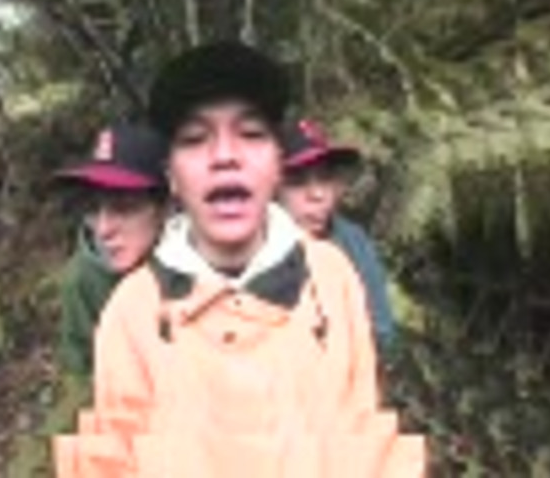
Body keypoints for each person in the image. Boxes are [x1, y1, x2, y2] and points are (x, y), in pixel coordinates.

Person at [52, 41, 425, 477]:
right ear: (172, 177)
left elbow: (364, 434)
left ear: (277, 165)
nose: (225, 155)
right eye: (195, 139)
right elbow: (110, 461)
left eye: (251, 134)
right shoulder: (130, 312)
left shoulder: (331, 275)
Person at [50, 121, 171, 433]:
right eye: (94, 209)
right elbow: (81, 375)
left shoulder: (208, 262)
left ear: (164, 207)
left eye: (124, 208)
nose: (103, 229)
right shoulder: (83, 280)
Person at [277, 117, 398, 356]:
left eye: (325, 178)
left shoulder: (352, 241)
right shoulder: (246, 247)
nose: (317, 194)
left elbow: (381, 331)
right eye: (298, 181)